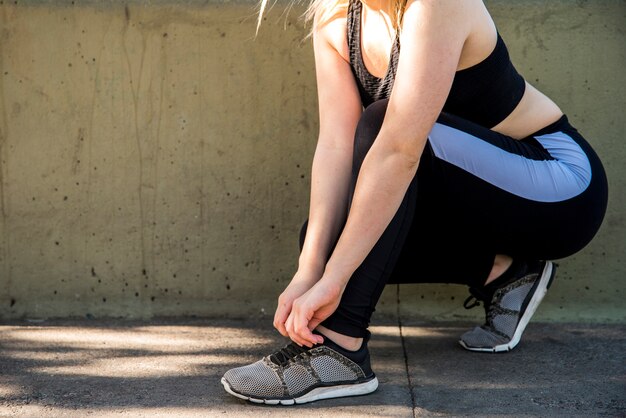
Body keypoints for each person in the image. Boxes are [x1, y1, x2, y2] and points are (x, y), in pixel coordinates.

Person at [221, 0, 608, 405]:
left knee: (382, 127)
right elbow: (336, 145)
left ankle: (338, 350)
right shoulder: (335, 16)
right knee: (324, 237)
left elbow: (399, 150)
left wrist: (333, 281)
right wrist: (310, 270)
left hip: (558, 187)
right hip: (473, 196)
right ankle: (506, 273)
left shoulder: (439, 4)